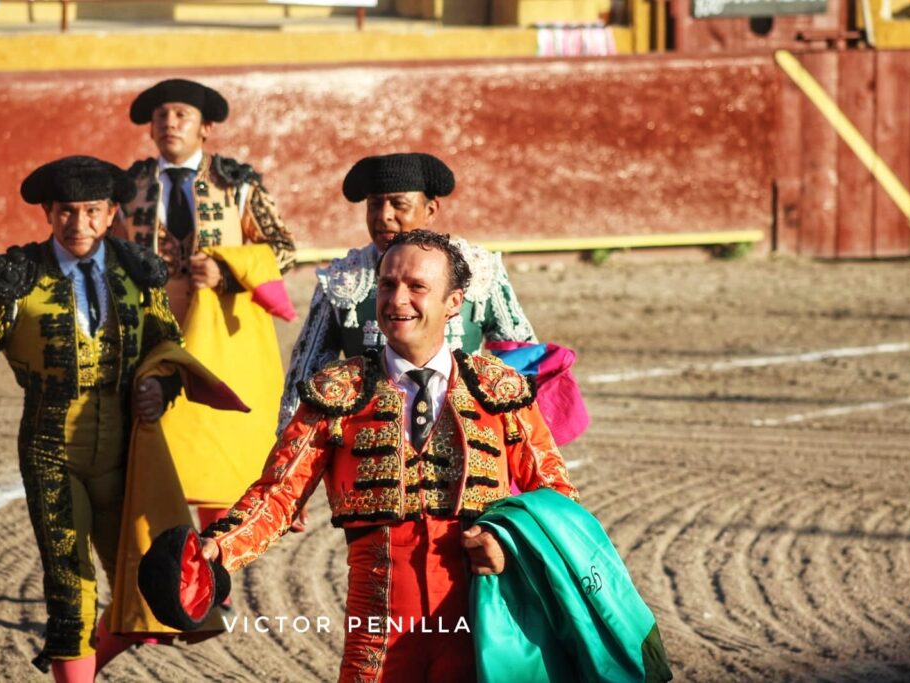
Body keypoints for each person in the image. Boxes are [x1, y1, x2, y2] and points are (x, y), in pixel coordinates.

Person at [199, 230, 578, 682]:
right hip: (376, 635)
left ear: (453, 302)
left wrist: (510, 545)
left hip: (484, 630)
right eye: (387, 284)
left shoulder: (498, 391)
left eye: (417, 287)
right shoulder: (336, 393)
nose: (397, 299)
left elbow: (557, 498)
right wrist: (216, 550)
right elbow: (278, 495)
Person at [0, 156, 184, 681]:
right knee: (71, 591)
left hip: (126, 454)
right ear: (49, 214)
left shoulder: (136, 271)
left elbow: (170, 345)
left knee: (149, 590)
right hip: (51, 453)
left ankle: (79, 667)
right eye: (66, 212)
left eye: (91, 211)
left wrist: (162, 385)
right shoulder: (16, 280)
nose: (78, 224)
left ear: (110, 214)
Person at [115, 78, 298, 532]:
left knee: (218, 461)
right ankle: (163, 585)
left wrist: (229, 271)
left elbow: (284, 249)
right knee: (153, 464)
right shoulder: (129, 187)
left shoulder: (237, 183)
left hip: (218, 342)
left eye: (181, 115)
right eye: (161, 116)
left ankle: (217, 586)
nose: (169, 123)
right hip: (149, 338)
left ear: (205, 128)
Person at [278, 152, 537, 436]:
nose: (384, 216)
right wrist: (292, 446)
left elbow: (525, 362)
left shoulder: (479, 270)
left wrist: (521, 441)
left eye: (399, 204)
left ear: (431, 210)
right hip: (371, 442)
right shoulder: (343, 279)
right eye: (374, 205)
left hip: (469, 434)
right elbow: (304, 380)